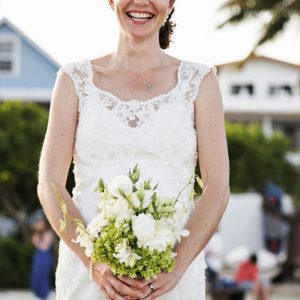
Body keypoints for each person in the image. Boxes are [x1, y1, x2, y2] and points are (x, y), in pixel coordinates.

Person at [37, 0, 230, 299]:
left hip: (171, 281)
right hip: (91, 279)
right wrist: (94, 261)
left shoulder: (200, 83)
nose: (141, 2)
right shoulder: (74, 81)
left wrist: (176, 268)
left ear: (171, 3)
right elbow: (49, 184)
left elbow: (217, 187)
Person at [30, 214, 54, 300]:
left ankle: (44, 295)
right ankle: (37, 295)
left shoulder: (48, 233)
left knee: (43, 275)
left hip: (45, 257)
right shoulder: (37, 235)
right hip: (38, 256)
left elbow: (45, 247)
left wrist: (37, 241)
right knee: (36, 274)